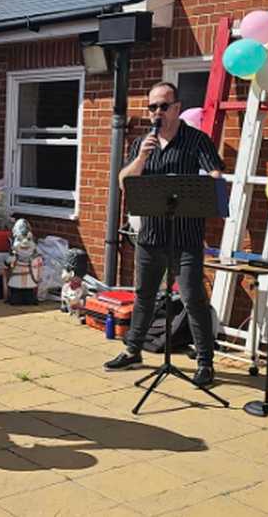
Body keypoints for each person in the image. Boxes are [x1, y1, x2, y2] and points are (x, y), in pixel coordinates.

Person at [104, 82, 224, 386]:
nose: (157, 112)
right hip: (151, 236)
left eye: (163, 106)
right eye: (152, 107)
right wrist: (141, 159)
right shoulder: (144, 142)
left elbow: (215, 175)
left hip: (185, 237)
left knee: (193, 297)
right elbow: (123, 182)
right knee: (144, 295)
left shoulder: (196, 140)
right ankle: (134, 351)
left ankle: (205, 363)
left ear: (177, 108)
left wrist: (209, 183)